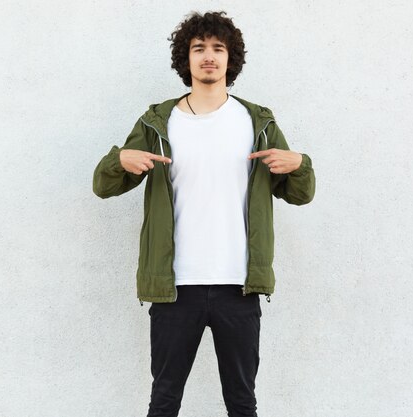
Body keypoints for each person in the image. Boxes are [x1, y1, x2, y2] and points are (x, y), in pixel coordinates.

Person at [93, 10, 315, 417]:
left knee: (242, 403)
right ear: (186, 58)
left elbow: (299, 195)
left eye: (218, 48)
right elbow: (104, 186)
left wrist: (300, 165)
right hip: (175, 287)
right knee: (163, 402)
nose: (208, 56)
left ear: (231, 59)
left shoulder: (257, 121)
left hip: (239, 286)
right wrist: (117, 161)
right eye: (199, 48)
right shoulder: (158, 122)